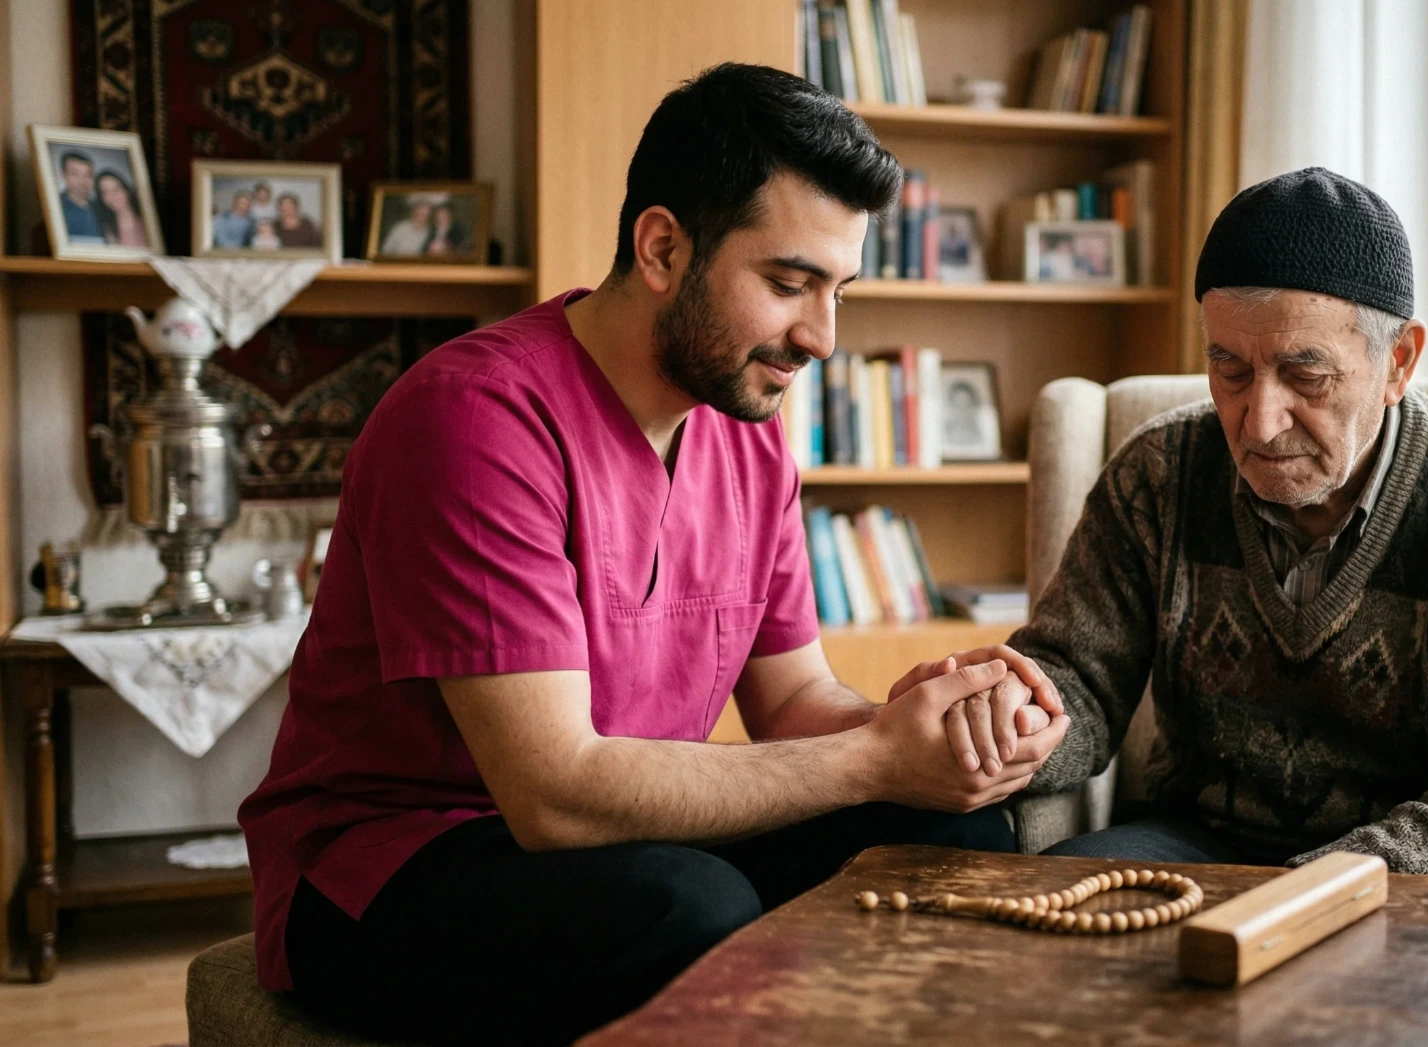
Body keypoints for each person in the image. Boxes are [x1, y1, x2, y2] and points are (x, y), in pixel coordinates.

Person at [238, 62, 1069, 1047]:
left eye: (839, 290)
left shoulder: (748, 433)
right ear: (664, 246)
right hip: (391, 869)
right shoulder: (473, 419)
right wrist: (872, 758)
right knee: (685, 905)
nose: (823, 337)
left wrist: (924, 731)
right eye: (788, 283)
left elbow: (796, 705)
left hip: (626, 839)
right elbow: (553, 794)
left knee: (948, 835)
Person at [1013, 167, 1428, 877]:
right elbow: (1074, 678)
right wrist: (1007, 717)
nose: (1259, 421)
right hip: (1197, 844)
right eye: (1229, 368)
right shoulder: (1158, 471)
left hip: (1408, 866)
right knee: (1048, 914)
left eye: (1306, 374)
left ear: (1399, 362)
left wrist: (1327, 878)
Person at [55, 151, 105, 243]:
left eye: (88, 175)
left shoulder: (103, 207)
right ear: (64, 175)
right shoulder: (55, 207)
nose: (83, 181)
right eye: (74, 174)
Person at [92, 170, 148, 248]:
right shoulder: (106, 229)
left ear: (126, 190)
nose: (112, 196)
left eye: (116, 189)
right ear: (102, 199)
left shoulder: (147, 217)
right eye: (106, 192)